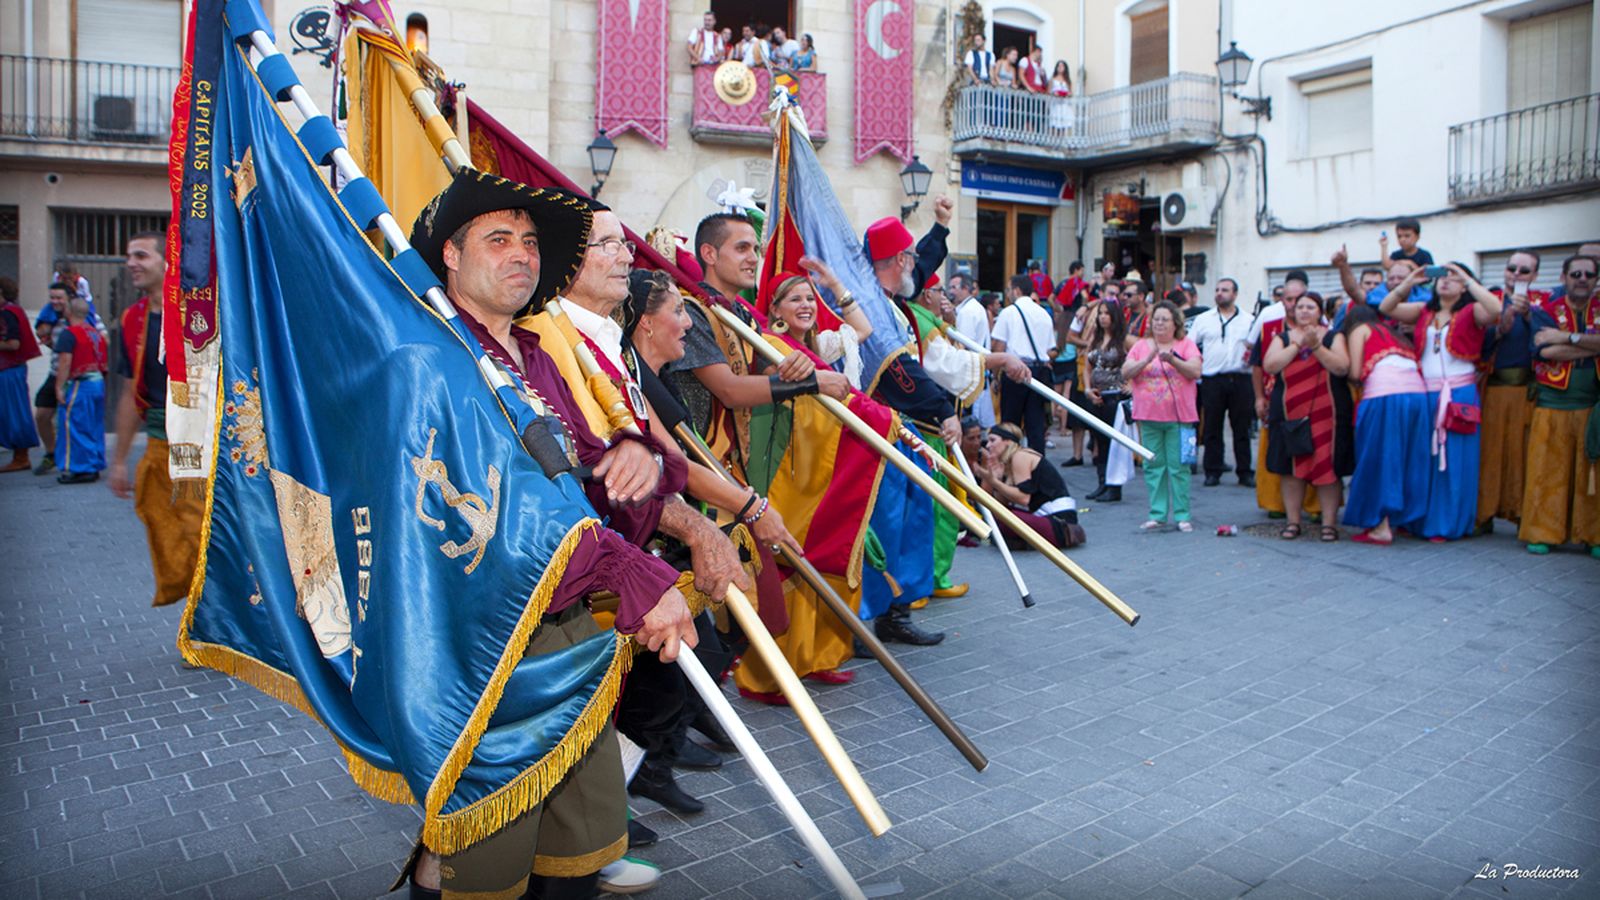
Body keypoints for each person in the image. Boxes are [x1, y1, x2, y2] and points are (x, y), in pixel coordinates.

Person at [400, 169, 701, 900]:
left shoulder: (534, 354)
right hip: (484, 639)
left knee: (577, 843)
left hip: (563, 617)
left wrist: (637, 454)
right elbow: (499, 517)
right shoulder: (434, 360)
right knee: (488, 850)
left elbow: (586, 470)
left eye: (530, 241)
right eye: (498, 239)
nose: (521, 255)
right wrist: (634, 576)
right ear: (450, 255)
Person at [109, 233, 205, 607]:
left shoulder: (196, 310)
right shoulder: (131, 319)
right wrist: (118, 460)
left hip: (194, 440)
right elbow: (131, 390)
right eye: (128, 255)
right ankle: (195, 609)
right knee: (163, 528)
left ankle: (207, 619)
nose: (131, 262)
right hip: (157, 439)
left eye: (141, 255)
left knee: (197, 529)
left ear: (166, 261)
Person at [1380, 262, 1501, 541]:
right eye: (1442, 277)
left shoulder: (1473, 312)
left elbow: (1495, 310)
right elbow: (1387, 307)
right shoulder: (1425, 311)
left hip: (1458, 394)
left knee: (1454, 459)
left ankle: (1446, 524)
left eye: (1453, 278)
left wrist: (1468, 280)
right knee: (1423, 457)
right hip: (1426, 392)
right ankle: (1417, 520)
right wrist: (1410, 280)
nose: (1446, 282)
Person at [1520, 254, 1600, 556]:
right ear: (1564, 277)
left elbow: (1557, 344)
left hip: (1593, 404)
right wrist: (1591, 346)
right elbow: (1544, 350)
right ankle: (1543, 532)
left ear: (1595, 280)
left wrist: (1568, 337)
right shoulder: (1545, 311)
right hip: (1552, 401)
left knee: (1592, 474)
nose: (1582, 279)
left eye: (1589, 275)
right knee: (1546, 471)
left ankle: (1593, 535)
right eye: (1575, 273)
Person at [1261, 291, 1353, 541]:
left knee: (1327, 468)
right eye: (1299, 306)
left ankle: (1329, 524)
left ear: (1320, 311)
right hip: (1290, 412)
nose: (1303, 311)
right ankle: (1293, 522)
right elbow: (1270, 366)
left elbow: (1341, 367)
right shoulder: (1282, 338)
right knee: (1290, 469)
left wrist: (1315, 346)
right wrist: (1296, 345)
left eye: (1310, 307)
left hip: (1328, 413)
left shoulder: (1334, 336)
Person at [1341, 304, 1431, 545]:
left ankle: (1380, 525)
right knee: (1409, 459)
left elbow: (1356, 372)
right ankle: (1405, 519)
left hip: (1384, 395)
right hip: (1418, 396)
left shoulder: (1360, 330)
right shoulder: (1397, 335)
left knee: (1380, 459)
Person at [1476, 250, 1545, 534]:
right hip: (1492, 389)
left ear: (1535, 276)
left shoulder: (1544, 304)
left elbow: (1545, 340)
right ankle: (1483, 515)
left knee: (1522, 455)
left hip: (1526, 391)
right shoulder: (1488, 301)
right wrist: (1498, 332)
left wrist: (1528, 317)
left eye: (1524, 270)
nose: (1516, 274)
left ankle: (1521, 516)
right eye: (1511, 268)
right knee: (1488, 453)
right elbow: (1473, 342)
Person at [1122, 301, 1202, 531]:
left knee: (1179, 467)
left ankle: (1182, 515)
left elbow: (1195, 371)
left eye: (1164, 319)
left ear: (1175, 323)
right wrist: (1148, 359)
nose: (1159, 323)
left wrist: (1173, 360)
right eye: (1155, 319)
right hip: (1148, 416)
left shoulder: (1185, 345)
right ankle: (1157, 513)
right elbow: (1126, 371)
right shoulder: (1140, 346)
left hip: (1180, 418)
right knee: (1153, 466)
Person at [1249, 271, 1321, 520]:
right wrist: (1258, 397)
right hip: (1276, 398)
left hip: (1313, 400)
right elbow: (1257, 365)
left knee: (1314, 450)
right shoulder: (1269, 327)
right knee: (1275, 451)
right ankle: (1276, 504)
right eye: (1287, 299)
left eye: (1298, 299)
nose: (1292, 305)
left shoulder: (1323, 330)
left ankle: (1314, 506)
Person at [974, 421, 1085, 548]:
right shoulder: (1010, 461)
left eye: (993, 440)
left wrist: (995, 482)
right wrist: (997, 480)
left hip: (1060, 523)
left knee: (1003, 518)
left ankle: (1016, 539)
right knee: (996, 514)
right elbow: (1002, 504)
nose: (988, 445)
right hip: (1048, 518)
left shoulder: (1020, 456)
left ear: (1008, 442)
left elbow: (1024, 498)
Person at [1189, 277, 1255, 487]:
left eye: (1225, 290)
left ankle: (1244, 471)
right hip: (1212, 379)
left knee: (1241, 428)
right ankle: (1213, 471)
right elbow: (1190, 345)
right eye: (1217, 290)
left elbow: (1256, 347)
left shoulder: (1249, 320)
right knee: (1212, 427)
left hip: (1240, 378)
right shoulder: (1204, 319)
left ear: (1235, 294)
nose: (1219, 293)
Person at [991, 273, 1055, 451]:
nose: (1008, 293)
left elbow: (999, 347)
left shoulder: (1009, 313)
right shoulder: (1043, 313)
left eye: (1009, 289)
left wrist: (995, 376)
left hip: (1015, 371)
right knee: (1036, 424)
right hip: (1039, 372)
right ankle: (1036, 467)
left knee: (1010, 424)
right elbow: (1050, 349)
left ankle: (1008, 462)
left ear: (1017, 290)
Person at [50, 295, 107, 484]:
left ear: (69, 311)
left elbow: (65, 362)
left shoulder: (70, 333)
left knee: (75, 425)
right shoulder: (96, 334)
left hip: (81, 384)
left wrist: (59, 387)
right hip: (97, 383)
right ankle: (95, 463)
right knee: (94, 425)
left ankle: (82, 468)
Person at [1082, 300, 1128, 502]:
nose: (1102, 317)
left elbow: (1138, 361)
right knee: (1098, 441)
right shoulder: (1096, 338)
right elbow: (1087, 366)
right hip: (1096, 395)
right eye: (1100, 313)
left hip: (1115, 396)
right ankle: (1102, 483)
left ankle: (1114, 486)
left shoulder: (1124, 340)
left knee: (1113, 443)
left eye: (1107, 313)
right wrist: (1087, 388)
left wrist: (1131, 384)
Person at [0, 277, 41, 472]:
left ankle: (21, 457)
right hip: (12, 369)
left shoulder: (8, 313)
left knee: (14, 412)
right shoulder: (11, 311)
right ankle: (19, 456)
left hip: (10, 370)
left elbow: (13, 344)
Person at [30, 283, 71, 475]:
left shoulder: (83, 317)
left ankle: (73, 458)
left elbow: (103, 338)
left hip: (74, 377)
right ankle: (51, 453)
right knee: (42, 415)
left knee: (70, 420)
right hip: (55, 373)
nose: (55, 301)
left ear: (68, 299)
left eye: (59, 298)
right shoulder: (50, 320)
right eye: (52, 298)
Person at [951, 272, 996, 427]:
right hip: (976, 370)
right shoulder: (972, 308)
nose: (951, 291)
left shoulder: (968, 311)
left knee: (972, 422)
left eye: (954, 287)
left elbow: (963, 344)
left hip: (971, 372)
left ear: (965, 289)